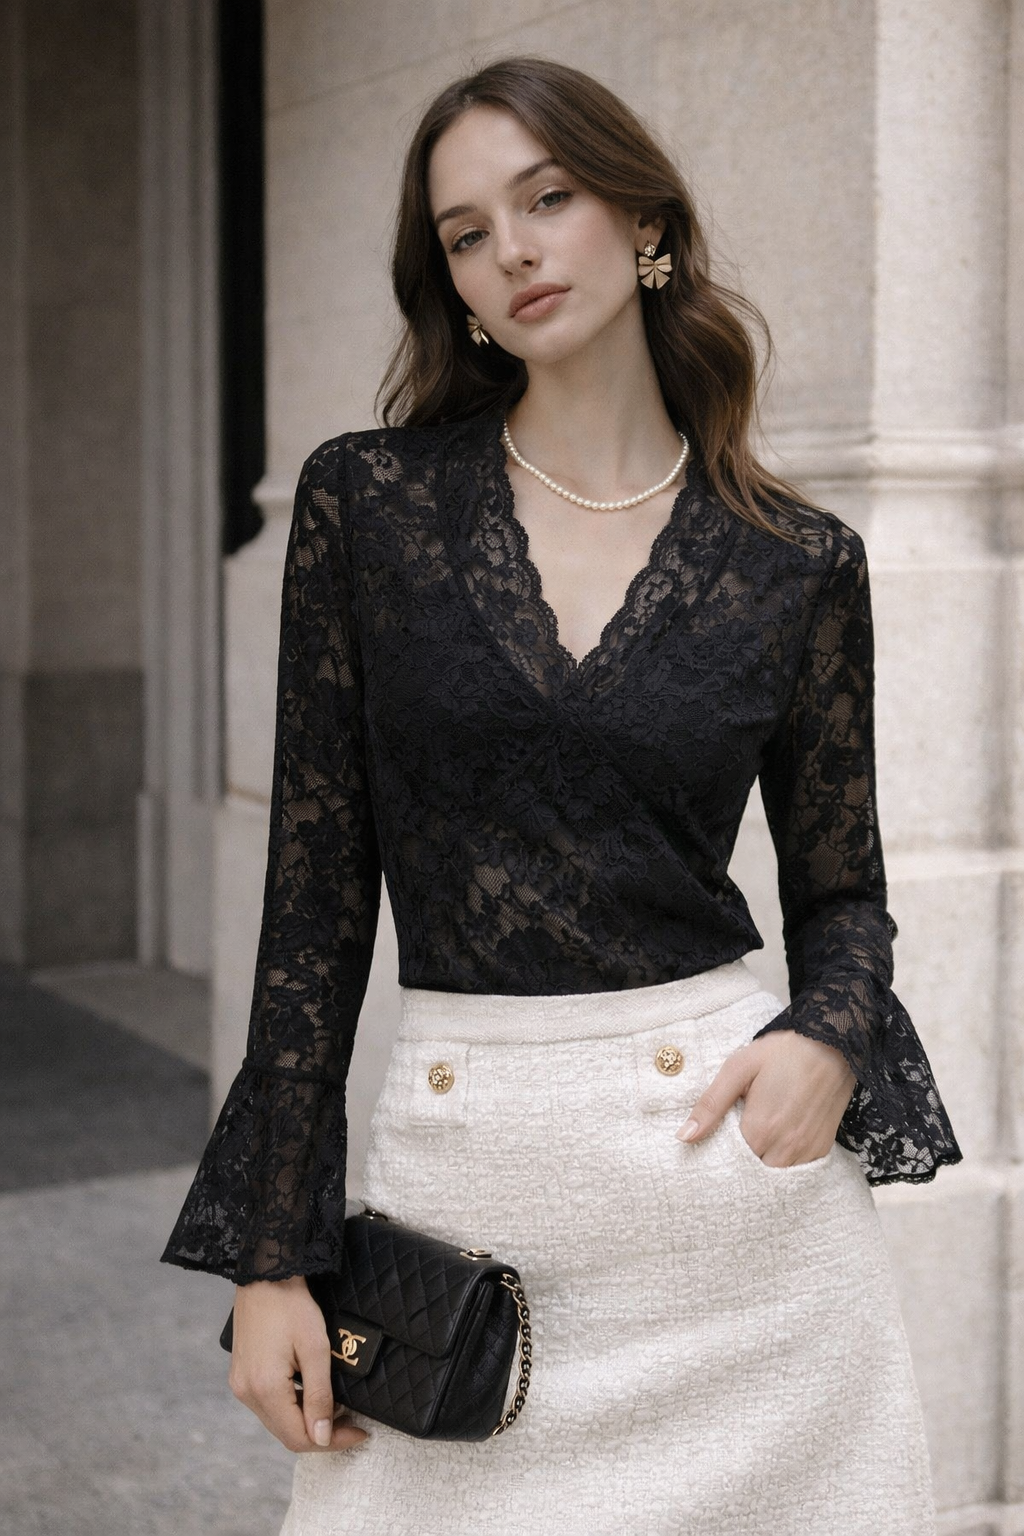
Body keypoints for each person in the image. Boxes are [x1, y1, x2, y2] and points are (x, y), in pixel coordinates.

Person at [161, 55, 963, 1536]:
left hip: (738, 1217)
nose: (514, 248)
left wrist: (830, 1037)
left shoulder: (797, 561)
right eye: (468, 232)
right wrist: (273, 1254)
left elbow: (843, 893)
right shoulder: (369, 508)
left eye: (548, 197)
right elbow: (314, 910)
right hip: (473, 1209)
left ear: (643, 223)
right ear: (455, 286)